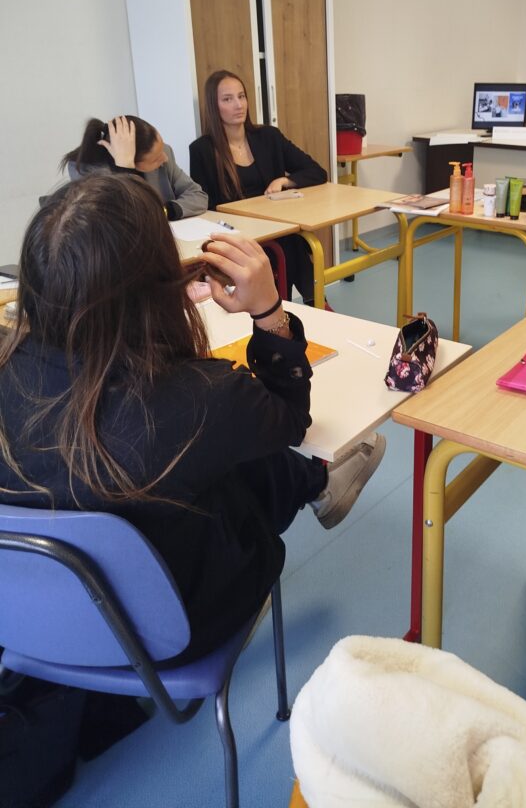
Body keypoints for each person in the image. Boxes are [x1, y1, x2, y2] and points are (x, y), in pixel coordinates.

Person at [0, 173, 384, 664]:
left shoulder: (15, 370)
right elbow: (290, 419)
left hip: (32, 623)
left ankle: (318, 484)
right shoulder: (202, 396)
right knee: (231, 459)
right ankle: (317, 482)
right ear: (160, 279)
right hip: (176, 630)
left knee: (206, 455)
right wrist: (268, 309)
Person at [189, 70, 328, 304]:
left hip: (275, 228)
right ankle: (301, 306)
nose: (238, 104)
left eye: (241, 96)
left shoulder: (268, 137)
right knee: (289, 246)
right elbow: (206, 206)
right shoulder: (202, 149)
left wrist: (285, 180)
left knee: (292, 240)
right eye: (227, 99)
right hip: (237, 233)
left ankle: (301, 306)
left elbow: (317, 171)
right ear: (214, 107)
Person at [62, 115, 207, 221]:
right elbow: (114, 222)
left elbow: (198, 196)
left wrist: (164, 211)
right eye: (155, 158)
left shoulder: (164, 153)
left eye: (162, 148)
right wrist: (125, 168)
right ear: (132, 160)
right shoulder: (84, 169)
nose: (165, 158)